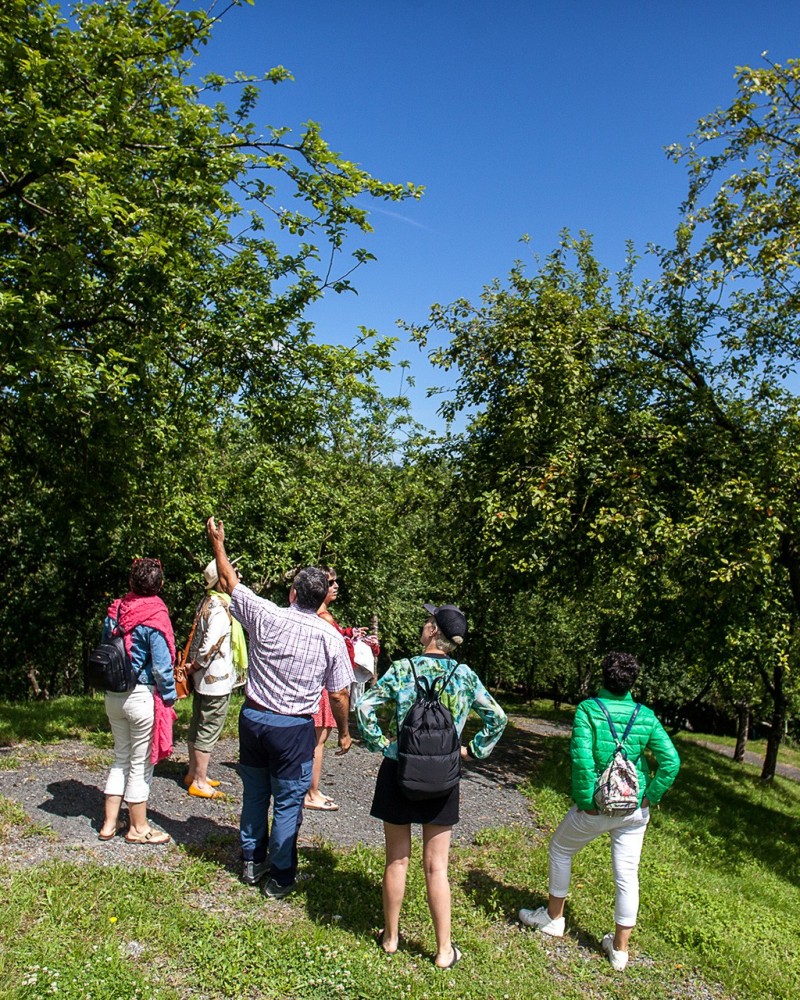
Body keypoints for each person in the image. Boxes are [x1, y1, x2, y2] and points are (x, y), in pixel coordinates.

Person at [205, 516, 354, 898]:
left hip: (253, 719)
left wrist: (218, 543)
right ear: (322, 598)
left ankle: (252, 862)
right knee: (288, 802)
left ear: (292, 592)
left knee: (255, 794)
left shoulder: (265, 614)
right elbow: (338, 694)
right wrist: (345, 730)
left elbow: (229, 582)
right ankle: (281, 878)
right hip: (293, 730)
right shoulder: (331, 638)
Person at [356, 603, 508, 969]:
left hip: (399, 772)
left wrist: (384, 746)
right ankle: (443, 950)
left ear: (431, 631)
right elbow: (498, 717)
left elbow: (364, 707)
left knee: (397, 859)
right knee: (436, 867)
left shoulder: (404, 669)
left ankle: (391, 938)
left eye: (427, 622)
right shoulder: (465, 676)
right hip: (443, 778)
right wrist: (472, 751)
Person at [518, 651, 681, 972]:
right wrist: (650, 795)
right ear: (632, 681)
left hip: (598, 805)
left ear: (603, 677)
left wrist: (587, 801)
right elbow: (671, 761)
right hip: (633, 809)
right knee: (626, 875)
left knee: (561, 848)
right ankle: (620, 950)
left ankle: (553, 918)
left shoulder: (589, 710)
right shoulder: (645, 716)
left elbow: (583, 761)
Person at [97, 557, 176, 845]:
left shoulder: (116, 609)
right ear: (160, 585)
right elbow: (162, 666)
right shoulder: (155, 614)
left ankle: (108, 824)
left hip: (113, 695)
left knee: (121, 757)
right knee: (140, 763)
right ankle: (138, 827)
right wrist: (169, 697)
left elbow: (108, 644)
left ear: (131, 582)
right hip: (141, 695)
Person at [305, 567, 379, 812]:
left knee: (314, 739)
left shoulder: (315, 613)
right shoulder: (323, 616)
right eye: (330, 582)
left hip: (314, 683)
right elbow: (336, 653)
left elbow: (338, 639)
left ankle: (310, 788)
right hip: (325, 685)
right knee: (318, 741)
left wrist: (351, 636)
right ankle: (311, 792)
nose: (336, 586)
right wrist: (355, 645)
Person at [182, 558, 249, 800]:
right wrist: (197, 663)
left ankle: (194, 773)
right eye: (233, 572)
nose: (237, 576)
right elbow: (210, 644)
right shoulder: (221, 608)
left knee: (197, 722)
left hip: (203, 678)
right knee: (208, 728)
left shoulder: (207, 601)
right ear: (221, 581)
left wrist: (193, 668)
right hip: (215, 679)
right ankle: (199, 780)